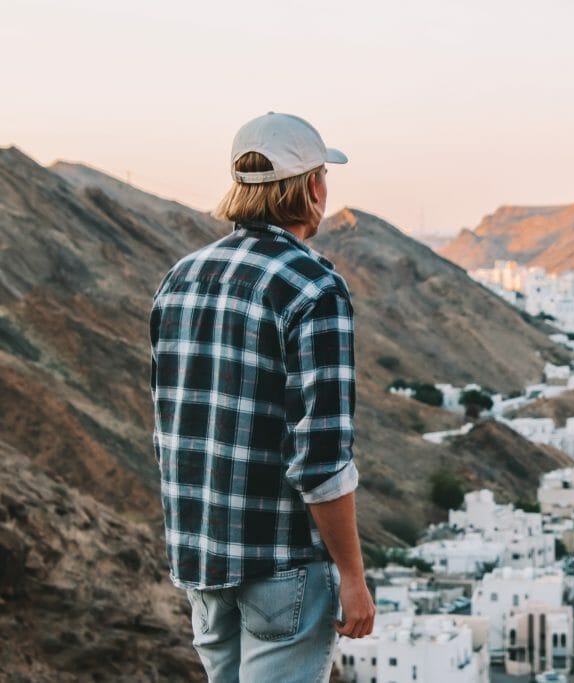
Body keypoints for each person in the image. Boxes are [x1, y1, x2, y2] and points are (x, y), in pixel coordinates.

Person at [149, 112, 374, 682]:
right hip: (281, 566)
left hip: (201, 559)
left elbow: (169, 424)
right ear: (313, 187)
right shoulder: (313, 286)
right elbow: (321, 457)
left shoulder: (182, 277)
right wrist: (353, 575)